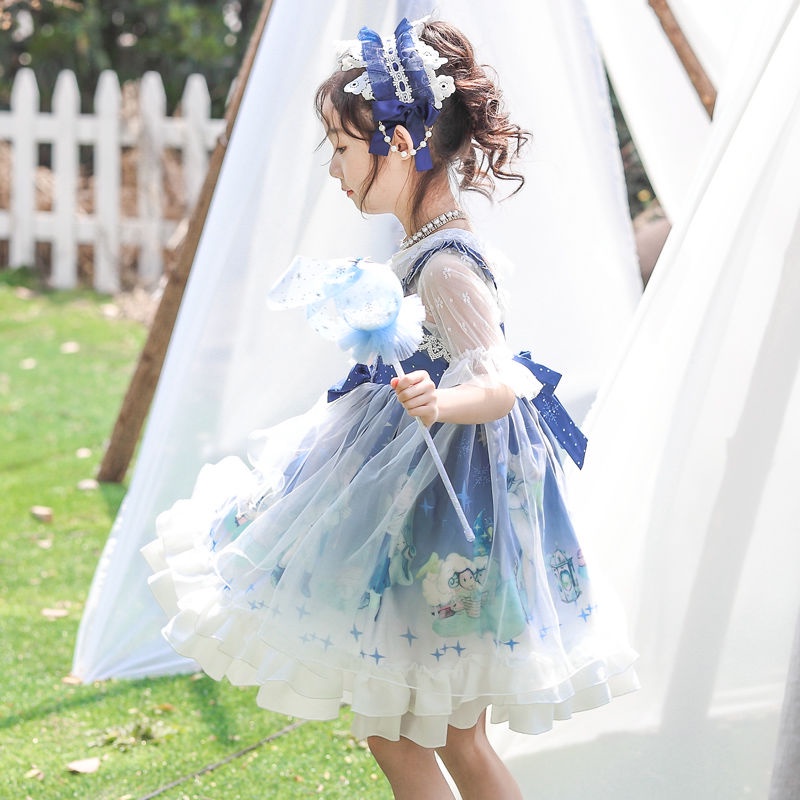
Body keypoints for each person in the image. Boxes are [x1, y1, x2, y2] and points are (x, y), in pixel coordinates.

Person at [143, 17, 638, 800]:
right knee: (415, 731)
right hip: (423, 498)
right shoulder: (423, 249)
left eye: (342, 148)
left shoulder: (446, 266)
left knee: (437, 734)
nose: (334, 169)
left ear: (400, 145)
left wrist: (443, 400)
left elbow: (502, 384)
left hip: (454, 515)